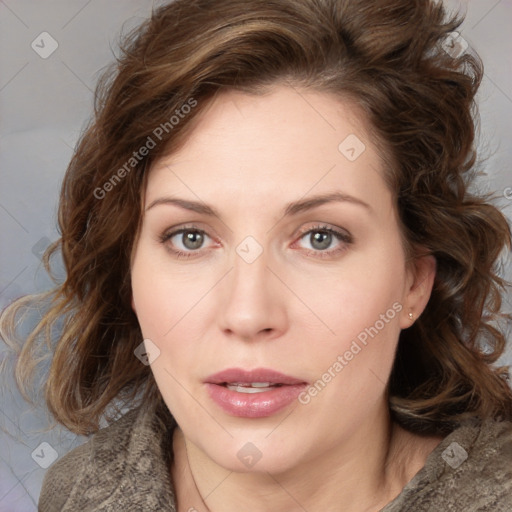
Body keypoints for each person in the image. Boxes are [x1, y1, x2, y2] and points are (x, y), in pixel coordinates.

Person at [1, 0, 511, 510]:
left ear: (414, 282)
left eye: (320, 237)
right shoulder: (76, 495)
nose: (248, 314)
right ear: (129, 272)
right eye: (191, 237)